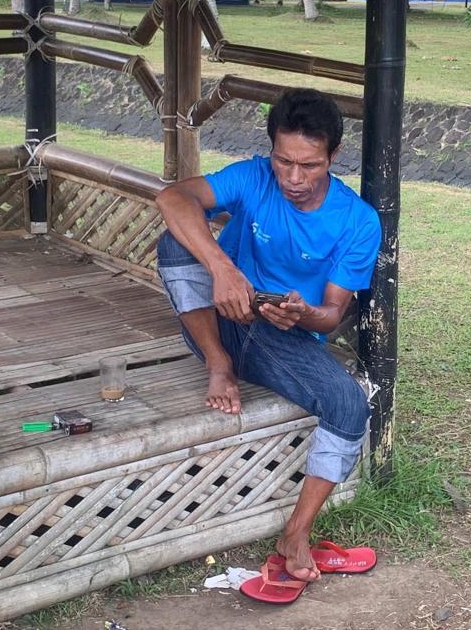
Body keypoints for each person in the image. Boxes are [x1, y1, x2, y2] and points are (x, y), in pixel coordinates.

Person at [154, 88, 382, 584]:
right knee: (174, 240)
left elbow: (330, 315)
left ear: (333, 156)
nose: (294, 178)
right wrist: (223, 269)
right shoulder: (254, 177)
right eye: (284, 161)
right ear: (271, 151)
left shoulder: (358, 220)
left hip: (281, 338)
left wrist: (302, 314)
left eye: (309, 165)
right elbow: (172, 197)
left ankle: (296, 533)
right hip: (217, 322)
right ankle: (218, 364)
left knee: (349, 405)